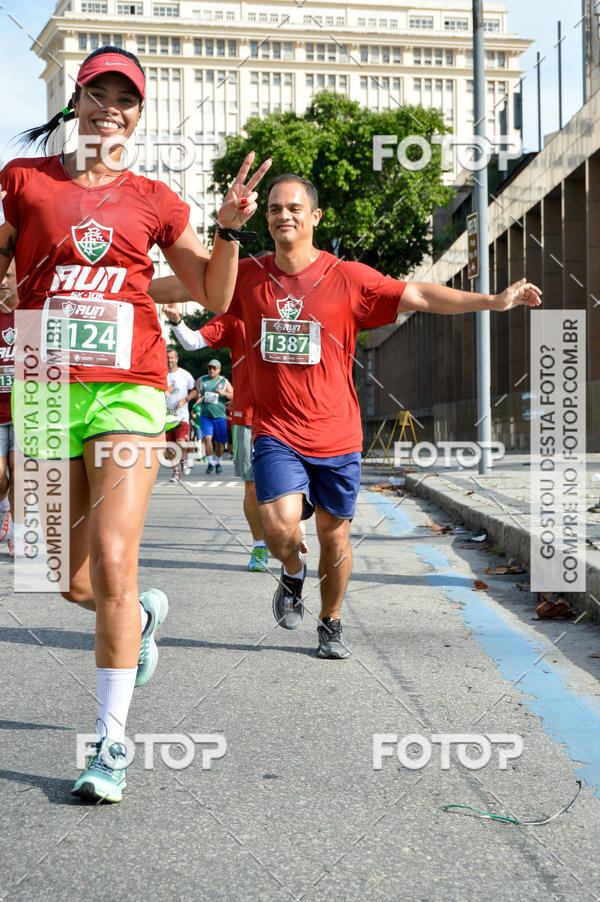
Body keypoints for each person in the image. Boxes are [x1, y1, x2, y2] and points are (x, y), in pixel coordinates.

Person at [0, 43, 271, 802]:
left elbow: (214, 297)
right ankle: (145, 618)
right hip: (47, 386)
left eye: (125, 99)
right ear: (74, 103)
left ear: (137, 115)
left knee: (116, 560)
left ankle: (109, 746)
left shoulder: (154, 198)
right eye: (98, 94)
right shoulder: (22, 183)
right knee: (63, 577)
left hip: (128, 385)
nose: (110, 108)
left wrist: (227, 229)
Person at [148, 173, 541, 660]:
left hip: (336, 435)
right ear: (264, 220)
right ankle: (292, 573)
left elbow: (419, 294)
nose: (282, 215)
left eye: (293, 207)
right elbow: (187, 283)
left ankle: (330, 622)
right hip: (276, 430)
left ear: (314, 217)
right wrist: (115, 286)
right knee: (276, 526)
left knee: (334, 540)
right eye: (273, 209)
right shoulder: (247, 274)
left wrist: (494, 301)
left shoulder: (349, 277)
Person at [161, 304, 269, 572]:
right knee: (252, 487)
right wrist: (177, 321)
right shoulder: (236, 319)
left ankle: (296, 535)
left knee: (289, 486)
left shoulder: (294, 313)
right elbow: (193, 340)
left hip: (288, 413)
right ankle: (259, 546)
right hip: (247, 416)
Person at [0, 260, 17, 553]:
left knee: (21, 470)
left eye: (8, 276)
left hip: (27, 412)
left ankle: (17, 529)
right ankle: (5, 507)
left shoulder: (32, 312)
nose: (2, 281)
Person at [165, 347, 196, 482]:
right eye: (167, 357)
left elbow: (195, 391)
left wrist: (185, 400)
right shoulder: (161, 375)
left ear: (177, 359)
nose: (170, 360)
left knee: (181, 442)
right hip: (166, 417)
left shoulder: (184, 374)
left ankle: (183, 460)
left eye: (172, 357)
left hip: (181, 416)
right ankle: (176, 471)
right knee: (170, 446)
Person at [196, 359, 232, 474]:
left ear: (219, 370)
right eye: (210, 368)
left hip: (220, 416)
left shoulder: (224, 381)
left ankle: (219, 462)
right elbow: (197, 389)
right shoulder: (202, 379)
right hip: (206, 416)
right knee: (207, 438)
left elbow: (234, 395)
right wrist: (199, 397)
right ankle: (210, 463)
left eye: (214, 368)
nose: (211, 370)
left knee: (220, 443)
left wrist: (224, 393)